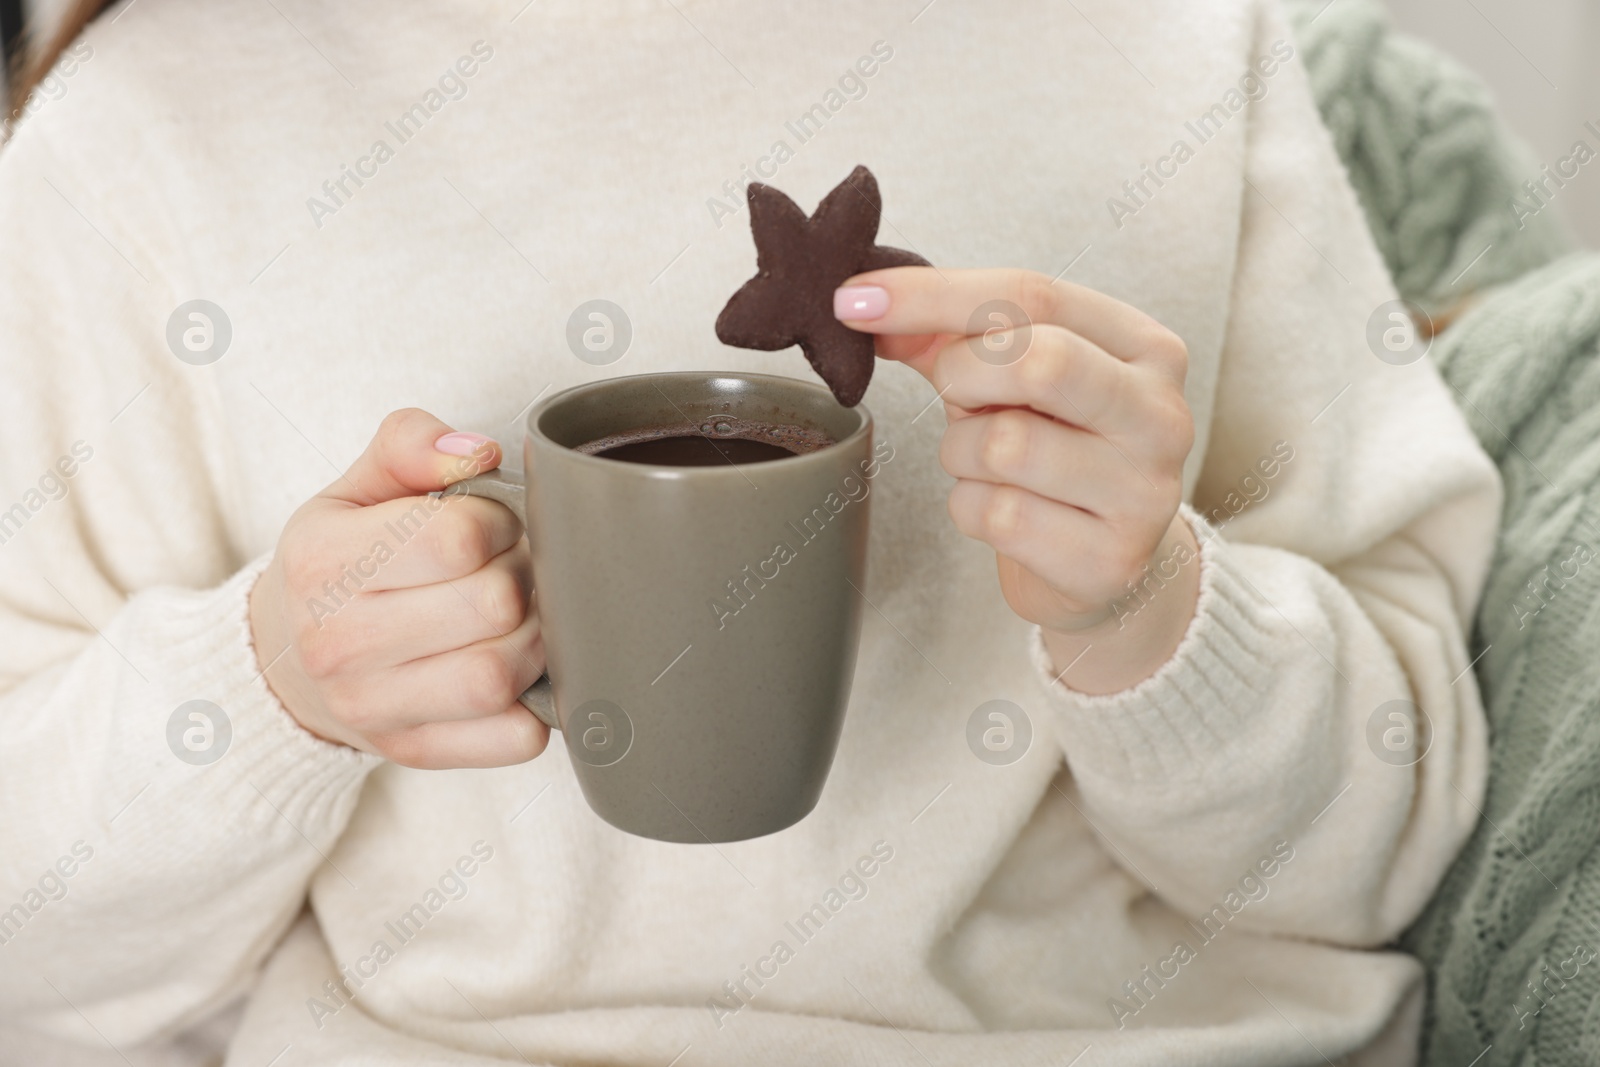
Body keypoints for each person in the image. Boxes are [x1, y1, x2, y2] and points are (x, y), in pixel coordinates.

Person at [0, 1, 1502, 1064]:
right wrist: (271, 683)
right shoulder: (145, 133)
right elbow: (31, 963)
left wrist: (1151, 612)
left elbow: (1385, 848)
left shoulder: (1173, 43)